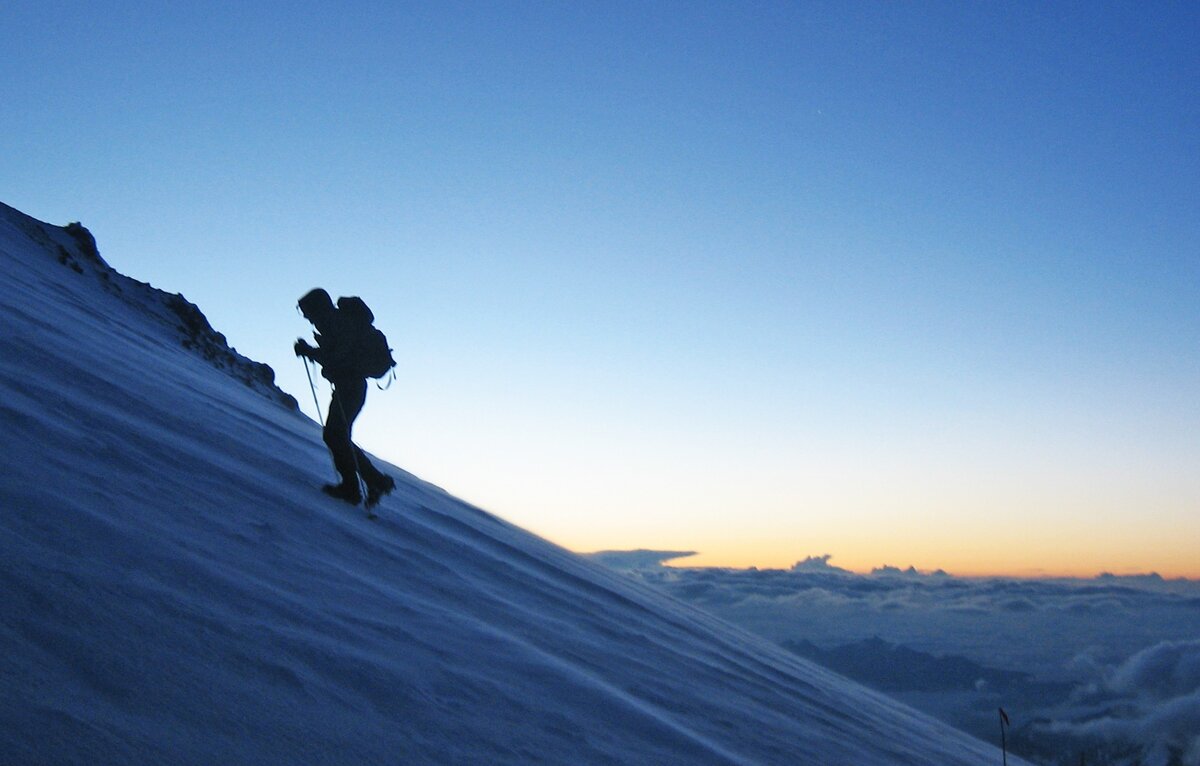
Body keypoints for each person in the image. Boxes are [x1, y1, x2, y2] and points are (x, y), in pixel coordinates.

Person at [294, 288, 395, 507]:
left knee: (335, 434)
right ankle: (371, 483)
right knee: (337, 435)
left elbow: (337, 356)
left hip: (351, 386)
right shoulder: (335, 322)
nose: (308, 318)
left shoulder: (337, 323)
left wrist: (310, 352)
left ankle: (356, 487)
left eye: (307, 312)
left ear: (317, 307)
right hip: (350, 386)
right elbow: (338, 355)